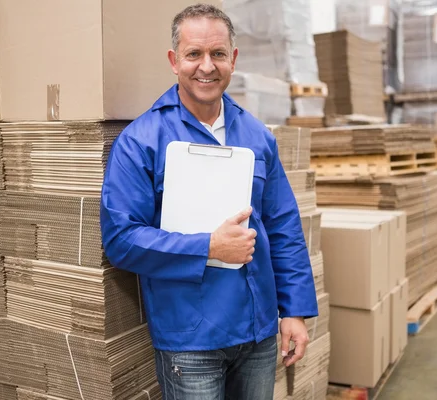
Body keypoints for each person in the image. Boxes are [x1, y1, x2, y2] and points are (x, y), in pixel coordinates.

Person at [100, 3, 318, 399]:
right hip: (191, 337)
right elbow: (122, 239)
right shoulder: (142, 140)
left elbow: (284, 227)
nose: (206, 66)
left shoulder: (256, 136)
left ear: (232, 60)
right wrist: (208, 247)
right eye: (194, 54)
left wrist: (295, 312)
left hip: (258, 330)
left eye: (217, 54)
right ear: (174, 61)